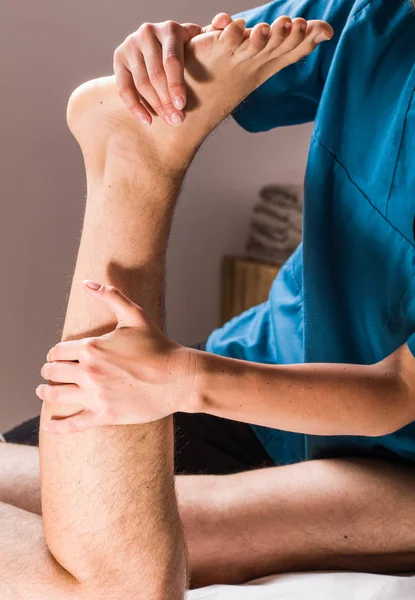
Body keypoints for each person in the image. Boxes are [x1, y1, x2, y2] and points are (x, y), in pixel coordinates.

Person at [2, 0, 415, 593]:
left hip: (396, 456)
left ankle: (132, 166)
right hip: (270, 358)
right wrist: (162, 61)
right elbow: (213, 72)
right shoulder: (371, 15)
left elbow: (399, 390)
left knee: (127, 560)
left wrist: (183, 379)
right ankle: (131, 157)